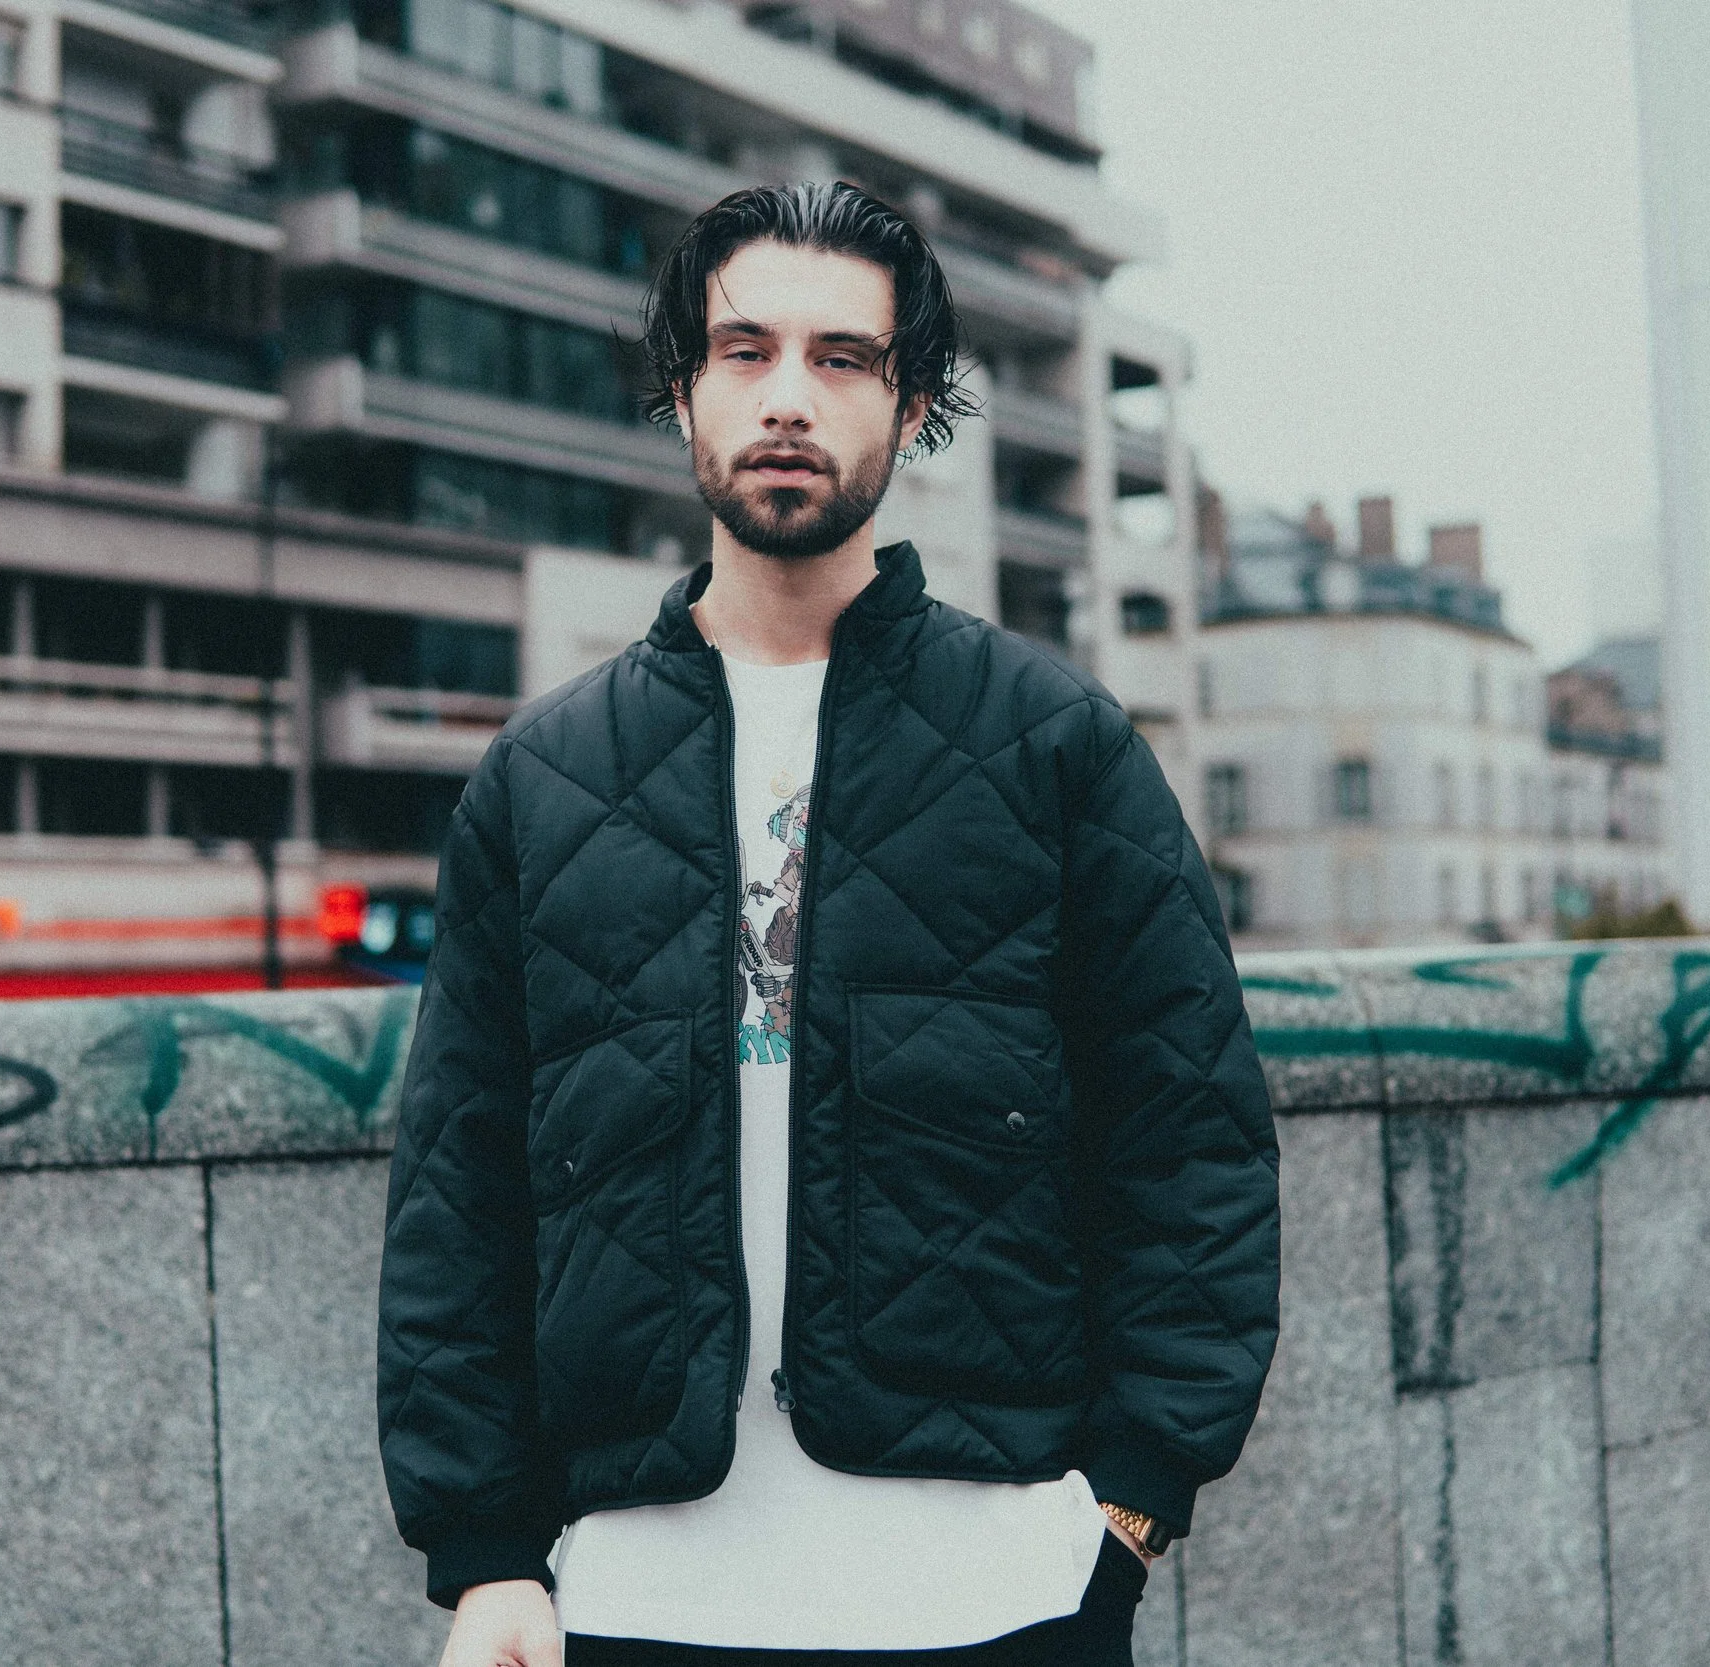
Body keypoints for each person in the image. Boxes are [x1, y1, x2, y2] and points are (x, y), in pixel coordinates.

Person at [378, 180, 1280, 1667]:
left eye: (842, 358)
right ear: (682, 393)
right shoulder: (545, 779)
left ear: (911, 408)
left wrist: (1127, 1507)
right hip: (645, 1597)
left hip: (995, 1592)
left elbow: (1192, 1139)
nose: (788, 396)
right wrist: (483, 1557)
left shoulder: (1051, 744)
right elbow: (458, 1191)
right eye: (745, 352)